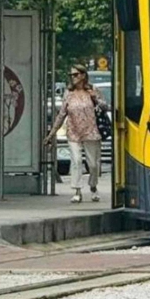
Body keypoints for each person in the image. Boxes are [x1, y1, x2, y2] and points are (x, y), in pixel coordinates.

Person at [43, 64, 109, 203]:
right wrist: (52, 134)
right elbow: (61, 114)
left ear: (83, 75)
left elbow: (105, 106)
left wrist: (95, 98)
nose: (73, 78)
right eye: (71, 75)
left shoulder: (92, 90)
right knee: (76, 161)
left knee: (93, 164)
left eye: (75, 75)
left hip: (91, 131)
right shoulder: (69, 93)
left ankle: (93, 186)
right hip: (73, 132)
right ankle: (77, 190)